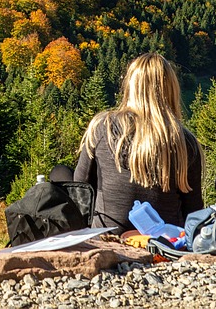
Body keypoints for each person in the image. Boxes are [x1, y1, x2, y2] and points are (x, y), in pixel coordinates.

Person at [74, 53, 203, 232]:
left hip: (107, 237)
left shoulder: (103, 127)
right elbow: (194, 211)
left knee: (60, 173)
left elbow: (80, 188)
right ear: (171, 89)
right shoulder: (184, 141)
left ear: (130, 86)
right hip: (165, 243)